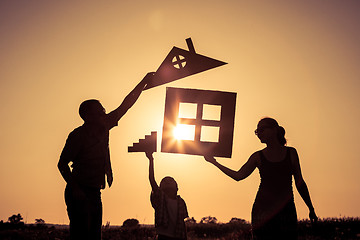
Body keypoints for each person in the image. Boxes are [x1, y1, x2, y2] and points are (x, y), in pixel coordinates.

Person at [57, 72, 154, 240]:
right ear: (87, 116)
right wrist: (76, 189)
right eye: (100, 110)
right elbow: (62, 164)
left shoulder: (104, 126)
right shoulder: (78, 136)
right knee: (81, 235)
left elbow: (126, 105)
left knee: (94, 236)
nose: (104, 112)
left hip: (95, 190)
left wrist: (144, 81)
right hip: (79, 190)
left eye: (103, 110)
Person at [204, 117, 318, 240]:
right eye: (257, 131)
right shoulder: (257, 157)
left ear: (274, 130)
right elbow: (238, 176)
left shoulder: (291, 153)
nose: (259, 134)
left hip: (286, 211)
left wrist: (310, 208)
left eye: (262, 129)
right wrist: (214, 162)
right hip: (262, 211)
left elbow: (299, 182)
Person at [145, 152, 189, 240]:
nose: (168, 182)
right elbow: (152, 179)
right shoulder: (160, 199)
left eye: (170, 181)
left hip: (177, 236)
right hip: (163, 236)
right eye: (166, 181)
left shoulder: (180, 202)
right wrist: (151, 160)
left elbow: (182, 223)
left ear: (176, 189)